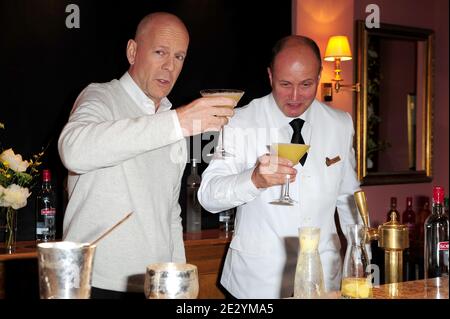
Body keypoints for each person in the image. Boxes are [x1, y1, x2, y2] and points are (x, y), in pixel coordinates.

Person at [58, 12, 235, 298]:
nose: (169, 66)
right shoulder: (101, 96)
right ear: (132, 51)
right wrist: (178, 122)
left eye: (179, 57)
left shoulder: (170, 117)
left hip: (156, 285)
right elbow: (74, 151)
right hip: (96, 282)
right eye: (160, 52)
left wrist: (180, 275)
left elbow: (169, 212)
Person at [198, 35, 362, 298]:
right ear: (270, 76)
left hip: (323, 281)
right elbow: (208, 196)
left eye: (306, 84)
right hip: (256, 285)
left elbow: (349, 199)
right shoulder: (240, 121)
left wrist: (359, 256)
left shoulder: (340, 123)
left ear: (320, 76)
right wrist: (253, 180)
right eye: (285, 84)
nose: (295, 96)